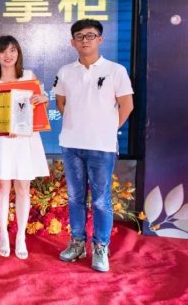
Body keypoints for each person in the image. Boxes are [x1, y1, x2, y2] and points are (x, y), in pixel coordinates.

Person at [53, 19, 134, 272]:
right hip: (71, 145)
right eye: (79, 36)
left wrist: (106, 129)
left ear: (100, 39)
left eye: (90, 35)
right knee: (75, 198)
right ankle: (77, 242)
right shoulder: (65, 71)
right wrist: (78, 124)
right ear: (72, 42)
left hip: (102, 147)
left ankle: (101, 246)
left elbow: (127, 105)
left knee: (100, 201)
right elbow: (61, 103)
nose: (85, 40)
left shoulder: (115, 70)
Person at [0, 36, 49, 260]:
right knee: (2, 185)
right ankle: (3, 234)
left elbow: (40, 105)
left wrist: (43, 98)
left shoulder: (28, 76)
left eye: (12, 50)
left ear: (18, 53)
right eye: (2, 51)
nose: (7, 55)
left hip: (25, 140)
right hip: (1, 140)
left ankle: (20, 236)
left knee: (23, 187)